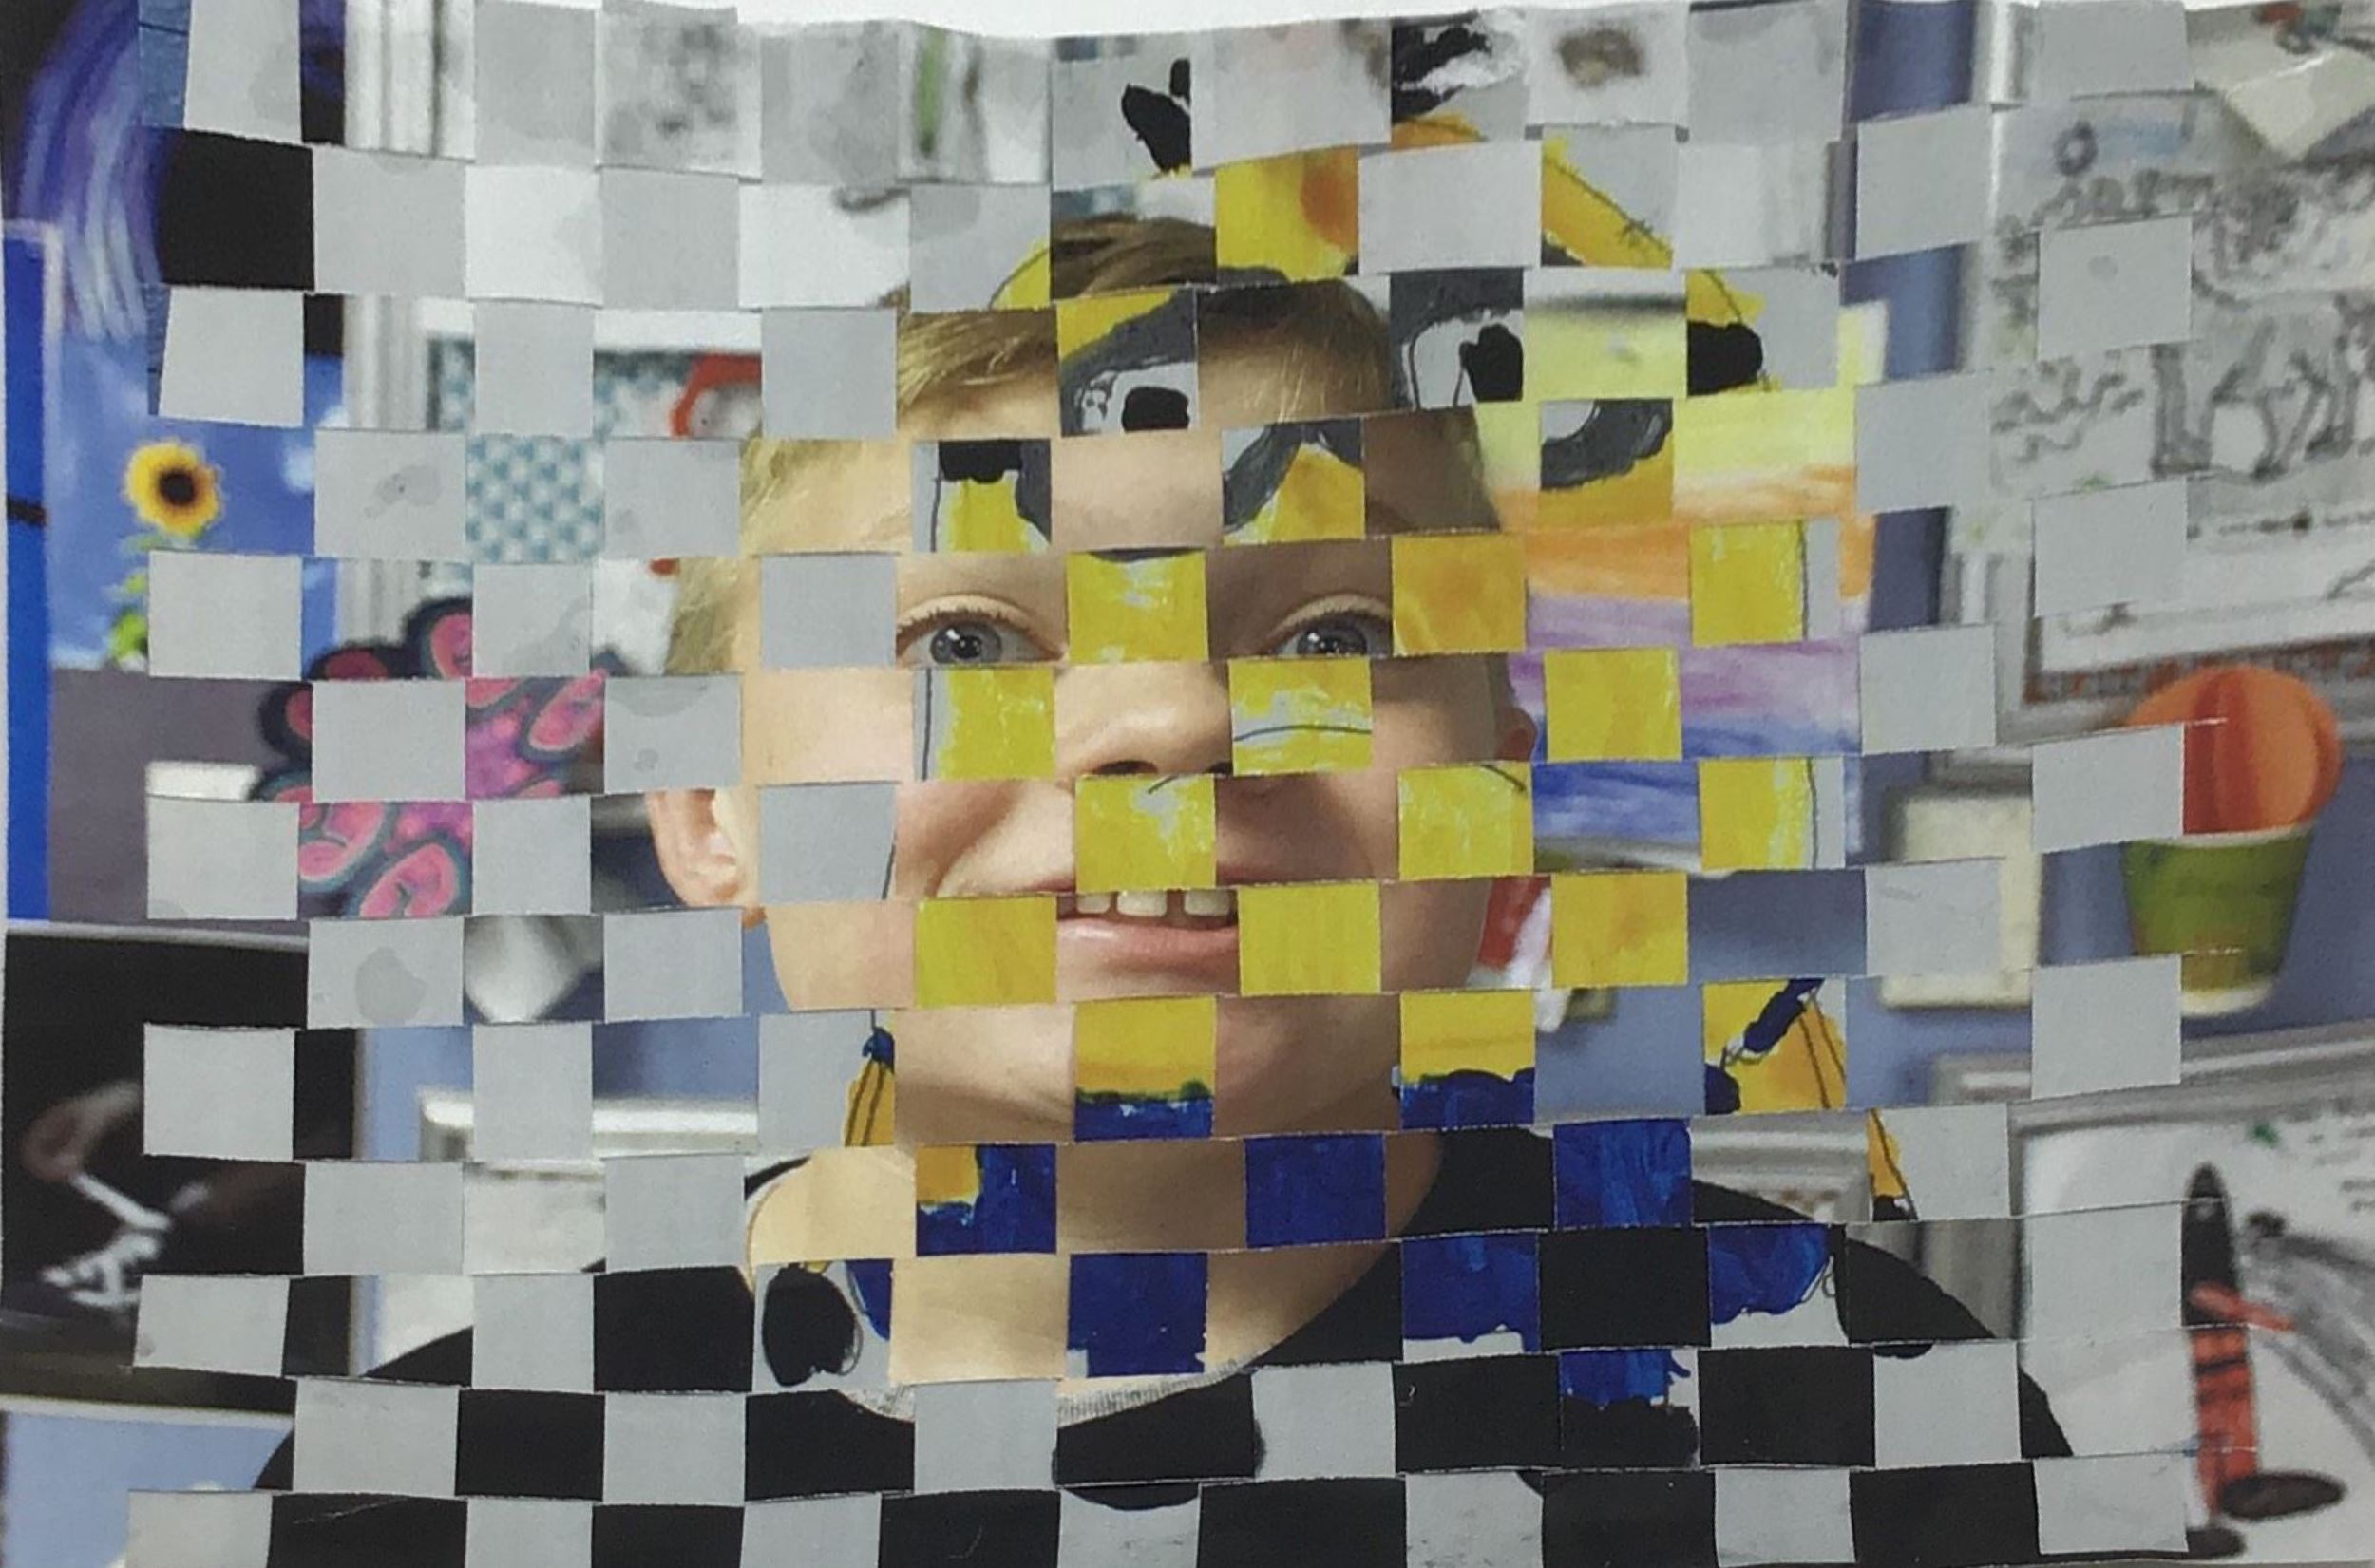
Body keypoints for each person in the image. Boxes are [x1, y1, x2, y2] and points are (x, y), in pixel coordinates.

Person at [259, 216, 2066, 1567]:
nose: (1172, 721)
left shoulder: (1842, 1407)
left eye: (1334, 636)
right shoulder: (422, 1490)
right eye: (966, 640)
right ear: (704, 808)